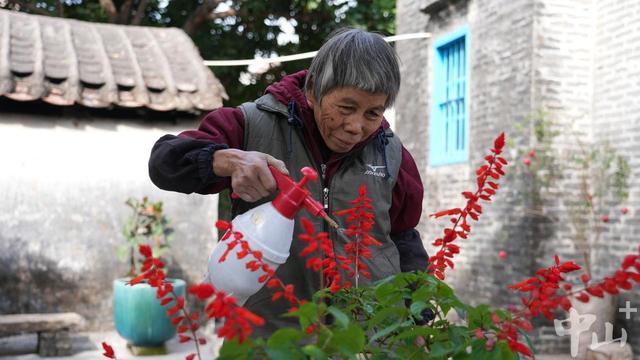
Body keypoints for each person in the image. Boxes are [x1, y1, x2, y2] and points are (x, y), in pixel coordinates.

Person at [148, 28, 428, 337]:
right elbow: (164, 163)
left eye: (373, 112)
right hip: (275, 338)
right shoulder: (251, 125)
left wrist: (421, 311)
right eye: (346, 108)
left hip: (367, 339)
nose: (356, 126)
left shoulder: (390, 152)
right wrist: (229, 160)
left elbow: (403, 238)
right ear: (313, 91)